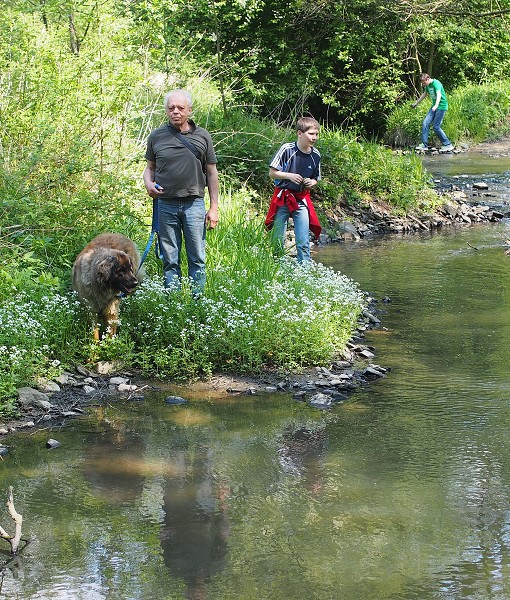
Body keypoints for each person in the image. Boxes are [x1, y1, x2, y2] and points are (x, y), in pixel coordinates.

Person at [143, 89, 219, 292]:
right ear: (166, 111)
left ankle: (197, 303)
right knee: (170, 259)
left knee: (198, 258)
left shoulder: (203, 136)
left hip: (194, 204)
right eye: (171, 108)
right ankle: (174, 303)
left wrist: (214, 208)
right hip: (165, 204)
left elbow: (211, 173)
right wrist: (148, 184)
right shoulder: (156, 137)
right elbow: (149, 169)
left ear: (189, 110)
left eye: (180, 108)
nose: (175, 111)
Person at [264, 117, 322, 263]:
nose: (314, 137)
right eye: (311, 134)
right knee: (278, 238)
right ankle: (276, 267)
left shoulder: (316, 155)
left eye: (316, 134)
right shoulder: (287, 149)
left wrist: (311, 182)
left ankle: (305, 272)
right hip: (283, 197)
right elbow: (272, 173)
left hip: (301, 199)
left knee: (303, 240)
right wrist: (289, 176)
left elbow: (316, 178)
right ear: (299, 133)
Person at [412, 73, 454, 153]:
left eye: (424, 83)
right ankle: (424, 145)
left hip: (441, 106)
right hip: (434, 106)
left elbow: (439, 95)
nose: (423, 85)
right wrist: (416, 103)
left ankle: (448, 144)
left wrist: (436, 105)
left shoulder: (436, 83)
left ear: (428, 79)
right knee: (425, 123)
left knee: (436, 126)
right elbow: (424, 94)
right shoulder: (428, 85)